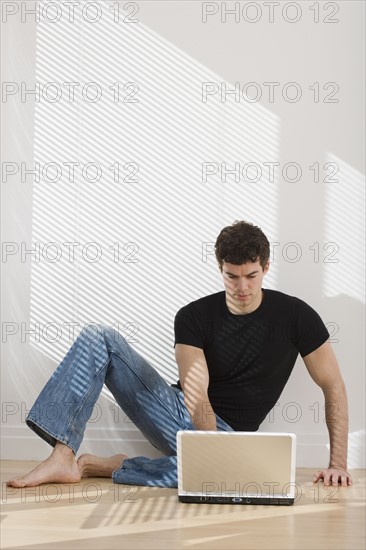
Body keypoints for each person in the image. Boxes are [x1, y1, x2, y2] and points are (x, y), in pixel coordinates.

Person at [7, 221, 352, 489]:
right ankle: (63, 455)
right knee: (100, 338)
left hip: (237, 436)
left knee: (240, 473)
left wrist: (337, 463)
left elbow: (333, 385)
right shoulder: (194, 316)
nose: (242, 287)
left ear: (266, 267)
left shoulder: (297, 316)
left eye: (251, 275)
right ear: (220, 268)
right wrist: (209, 450)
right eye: (232, 277)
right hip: (176, 411)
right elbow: (194, 389)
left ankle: (111, 466)